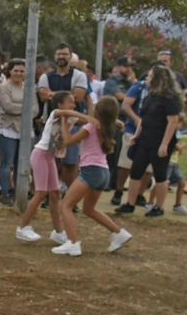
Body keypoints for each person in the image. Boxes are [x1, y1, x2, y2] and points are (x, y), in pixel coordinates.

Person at [50, 96, 131, 255]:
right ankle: (119, 233)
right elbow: (107, 120)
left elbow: (68, 140)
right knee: (89, 209)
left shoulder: (90, 127)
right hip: (103, 172)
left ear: (98, 110)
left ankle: (73, 243)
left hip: (91, 171)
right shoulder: (108, 126)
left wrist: (65, 123)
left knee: (66, 206)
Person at [118, 64, 185, 217]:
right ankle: (130, 203)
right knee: (136, 170)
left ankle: (159, 207)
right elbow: (144, 118)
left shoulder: (170, 99)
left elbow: (172, 122)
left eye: (150, 76)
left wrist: (164, 144)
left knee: (160, 173)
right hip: (145, 137)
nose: (147, 79)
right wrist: (137, 134)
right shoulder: (150, 96)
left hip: (160, 139)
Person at [15, 91, 71, 244]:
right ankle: (23, 227)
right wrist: (87, 117)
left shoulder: (68, 118)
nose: (73, 105)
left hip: (50, 157)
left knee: (55, 194)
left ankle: (58, 232)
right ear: (60, 105)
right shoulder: (55, 114)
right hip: (40, 155)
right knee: (41, 193)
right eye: (70, 102)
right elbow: (62, 112)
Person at [37, 44, 89, 190]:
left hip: (73, 124)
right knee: (49, 159)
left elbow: (78, 97)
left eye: (64, 54)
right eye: (58, 54)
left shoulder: (79, 75)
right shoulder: (46, 76)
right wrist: (67, 94)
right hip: (51, 124)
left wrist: (53, 94)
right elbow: (42, 96)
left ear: (70, 56)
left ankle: (71, 196)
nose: (61, 57)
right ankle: (49, 193)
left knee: (70, 162)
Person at [0, 59, 27, 205]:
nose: (18, 74)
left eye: (21, 71)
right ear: (10, 71)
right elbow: (7, 107)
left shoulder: (29, 88)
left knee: (20, 163)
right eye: (16, 70)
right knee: (6, 162)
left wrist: (20, 108)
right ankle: (5, 192)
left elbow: (34, 109)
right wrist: (24, 108)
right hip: (7, 128)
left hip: (24, 129)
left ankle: (18, 192)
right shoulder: (4, 87)